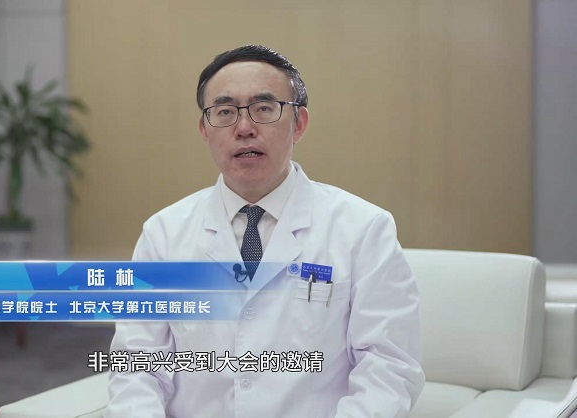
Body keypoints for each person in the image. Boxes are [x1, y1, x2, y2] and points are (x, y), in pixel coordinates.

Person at [106, 45, 425, 417]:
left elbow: (388, 367)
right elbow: (137, 365)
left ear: (299, 123)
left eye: (264, 108)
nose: (244, 128)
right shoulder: (164, 233)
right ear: (205, 130)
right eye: (225, 112)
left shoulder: (363, 229)